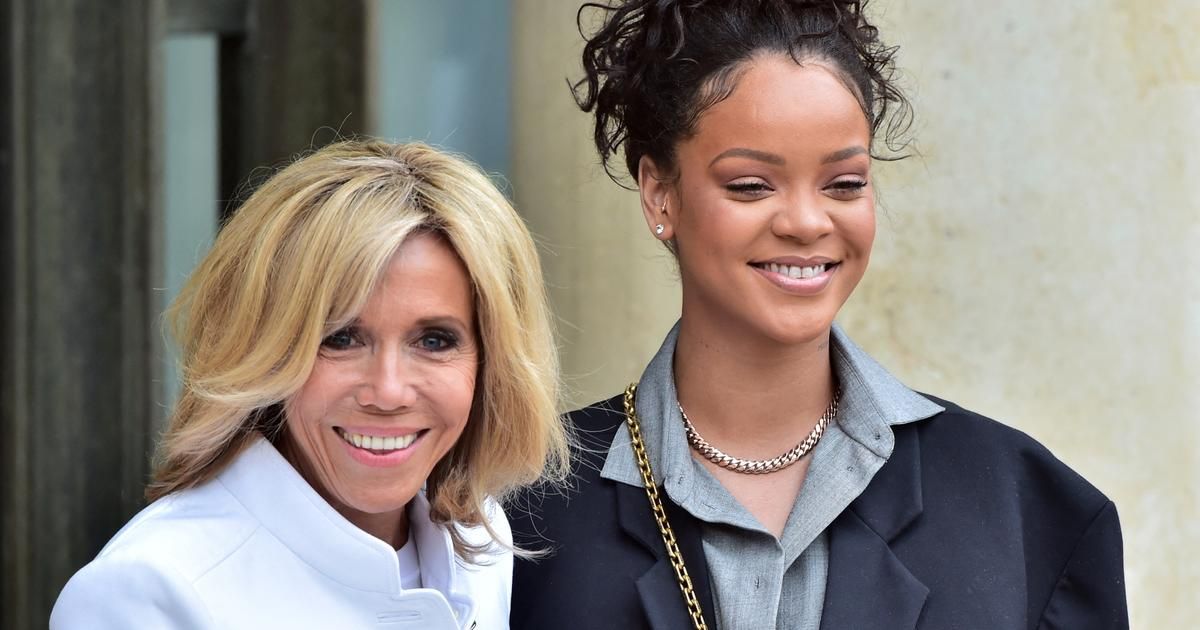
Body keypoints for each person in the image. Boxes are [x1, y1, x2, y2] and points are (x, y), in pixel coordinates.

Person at [509, 1, 1128, 629]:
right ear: (659, 193)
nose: (807, 222)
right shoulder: (525, 517)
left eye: (844, 184)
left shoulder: (1028, 510)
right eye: (751, 185)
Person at [51, 140, 567, 629]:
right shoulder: (150, 591)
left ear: (490, 361)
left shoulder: (482, 542)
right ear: (263, 350)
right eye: (341, 338)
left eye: (434, 341)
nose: (388, 391)